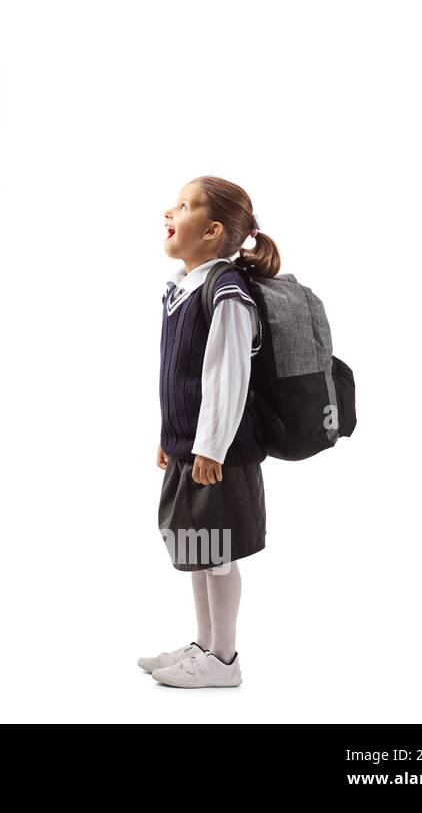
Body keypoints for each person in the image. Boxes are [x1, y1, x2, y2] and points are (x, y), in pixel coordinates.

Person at [139, 176, 281, 689]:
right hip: (192, 447)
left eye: (183, 205)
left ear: (213, 229)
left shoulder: (226, 291)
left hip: (217, 454)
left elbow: (227, 376)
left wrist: (210, 445)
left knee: (216, 552)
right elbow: (178, 375)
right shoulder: (183, 288)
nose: (168, 212)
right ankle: (204, 644)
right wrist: (170, 434)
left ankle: (224, 658)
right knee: (197, 547)